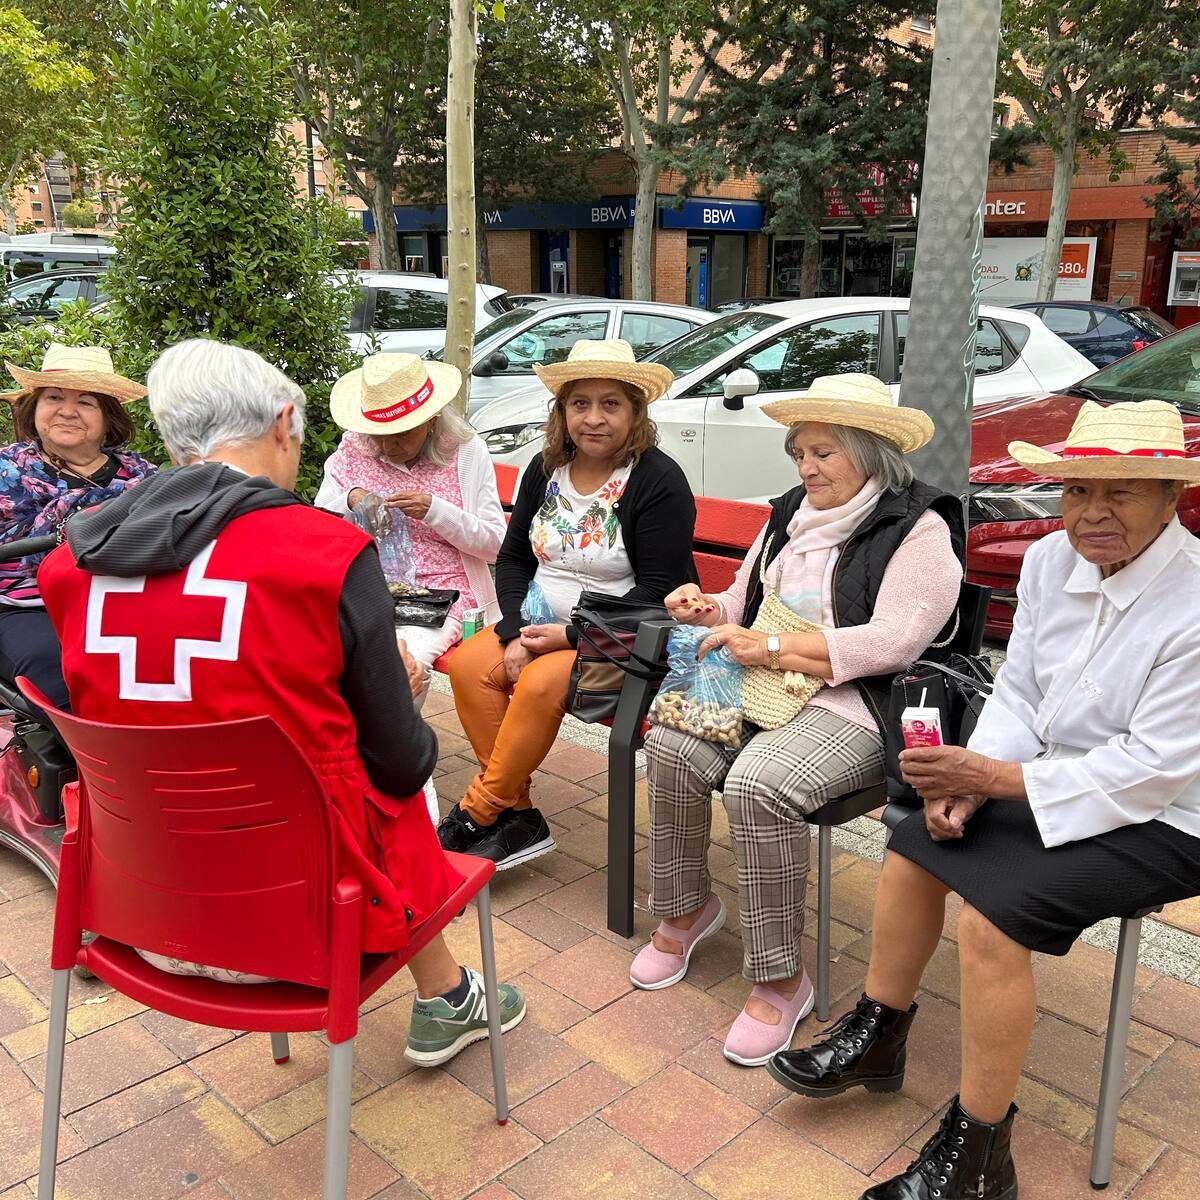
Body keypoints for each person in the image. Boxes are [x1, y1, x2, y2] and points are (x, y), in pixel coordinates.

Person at [38, 339, 525, 1067]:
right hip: (312, 916)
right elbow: (397, 761)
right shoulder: (319, 554)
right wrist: (398, 697)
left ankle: (448, 994)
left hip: (143, 904)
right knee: (403, 786)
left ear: (172, 440)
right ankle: (449, 996)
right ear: (284, 423)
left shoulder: (67, 564)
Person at [770, 398, 1200, 1200]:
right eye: (1077, 491)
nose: (1092, 512)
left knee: (991, 917)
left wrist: (991, 780)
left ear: (1172, 496)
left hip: (1170, 814)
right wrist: (970, 784)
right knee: (914, 841)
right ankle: (879, 1031)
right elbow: (1021, 693)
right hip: (1047, 772)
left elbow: (1153, 768)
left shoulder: (1195, 600)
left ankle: (979, 1153)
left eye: (1123, 491)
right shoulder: (1048, 564)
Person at [631, 373, 963, 1067]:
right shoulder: (791, 512)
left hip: (854, 700)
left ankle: (781, 978)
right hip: (757, 681)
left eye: (823, 453)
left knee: (760, 784)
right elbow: (742, 597)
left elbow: (897, 641)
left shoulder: (919, 526)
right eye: (800, 453)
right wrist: (708, 608)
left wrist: (778, 647)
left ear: (870, 452)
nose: (806, 468)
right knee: (669, 747)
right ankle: (687, 909)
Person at [440, 339, 697, 869]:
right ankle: (520, 814)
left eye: (611, 404)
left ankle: (479, 811)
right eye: (580, 404)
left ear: (635, 412)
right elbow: (512, 559)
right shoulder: (544, 468)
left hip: (624, 638)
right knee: (470, 665)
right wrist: (512, 630)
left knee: (536, 682)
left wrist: (572, 636)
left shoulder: (657, 481)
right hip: (538, 622)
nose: (594, 419)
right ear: (562, 412)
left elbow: (659, 593)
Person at [315, 351, 505, 670]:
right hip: (368, 589)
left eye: (401, 435)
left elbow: (496, 545)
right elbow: (319, 528)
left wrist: (435, 511)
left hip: (443, 598)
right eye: (379, 435)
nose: (388, 448)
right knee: (321, 657)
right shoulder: (353, 450)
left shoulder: (466, 453)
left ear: (431, 420)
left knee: (399, 665)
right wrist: (349, 499)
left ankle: (395, 721)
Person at [0, 343, 156, 710]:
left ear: (107, 417)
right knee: (65, 682)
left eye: (86, 402)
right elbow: (22, 556)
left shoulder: (142, 476)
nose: (68, 411)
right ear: (35, 407)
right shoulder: (8, 469)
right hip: (29, 609)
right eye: (54, 397)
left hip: (124, 605)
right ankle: (101, 765)